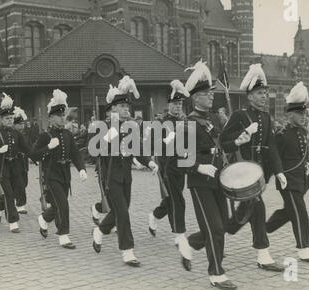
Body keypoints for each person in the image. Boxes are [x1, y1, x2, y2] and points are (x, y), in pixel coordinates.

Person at [220, 63, 286, 273]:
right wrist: (240, 138)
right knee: (258, 209)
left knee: (244, 215)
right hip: (241, 173)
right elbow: (223, 142)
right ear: (249, 96)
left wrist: (279, 171)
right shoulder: (240, 116)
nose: (264, 97)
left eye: (265, 93)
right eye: (259, 93)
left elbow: (272, 148)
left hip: (259, 174)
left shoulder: (266, 118)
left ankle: (205, 237)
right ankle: (263, 255)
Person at [180, 60, 237, 290]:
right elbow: (181, 157)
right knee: (214, 227)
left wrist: (237, 141)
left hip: (218, 179)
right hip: (200, 182)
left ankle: (189, 243)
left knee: (221, 225)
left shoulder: (214, 119)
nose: (211, 97)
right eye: (206, 94)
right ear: (195, 98)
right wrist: (198, 167)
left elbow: (222, 144)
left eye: (211, 93)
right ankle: (216, 273)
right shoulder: (188, 123)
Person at [92, 76, 159, 267]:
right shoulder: (103, 126)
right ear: (113, 108)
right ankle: (127, 251)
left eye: (127, 107)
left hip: (126, 177)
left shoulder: (131, 127)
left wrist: (150, 163)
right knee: (122, 213)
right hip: (110, 176)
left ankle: (99, 231)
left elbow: (138, 150)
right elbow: (96, 150)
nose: (126, 110)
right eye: (122, 107)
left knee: (119, 212)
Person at [266, 82, 309, 264]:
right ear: (290, 114)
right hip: (287, 180)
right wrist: (278, 173)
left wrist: (308, 165)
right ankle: (304, 248)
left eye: (305, 113)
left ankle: (263, 227)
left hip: (301, 180)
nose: (304, 117)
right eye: (300, 114)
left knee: (291, 210)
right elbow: (274, 157)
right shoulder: (281, 133)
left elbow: (303, 153)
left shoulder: (302, 132)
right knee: (300, 212)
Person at [32, 89, 88, 249]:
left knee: (57, 205)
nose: (62, 119)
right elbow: (34, 155)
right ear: (51, 118)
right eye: (58, 116)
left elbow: (76, 154)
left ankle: (43, 219)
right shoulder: (46, 135)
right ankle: (63, 235)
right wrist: (48, 147)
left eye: (63, 116)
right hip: (51, 175)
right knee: (63, 205)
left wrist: (81, 169)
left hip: (65, 175)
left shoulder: (68, 135)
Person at [147, 79, 192, 271]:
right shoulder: (162, 122)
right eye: (174, 104)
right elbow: (156, 144)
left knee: (171, 199)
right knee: (177, 200)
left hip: (181, 167)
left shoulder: (184, 121)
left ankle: (154, 216)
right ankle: (179, 234)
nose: (177, 107)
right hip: (167, 166)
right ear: (169, 105)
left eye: (180, 104)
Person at [0, 93, 32, 233]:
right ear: (0, 119)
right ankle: (13, 221)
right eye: (7, 119)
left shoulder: (17, 134)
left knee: (17, 190)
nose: (10, 121)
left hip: (15, 166)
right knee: (9, 193)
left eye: (11, 118)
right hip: (2, 167)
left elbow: (28, 149)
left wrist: (40, 156)